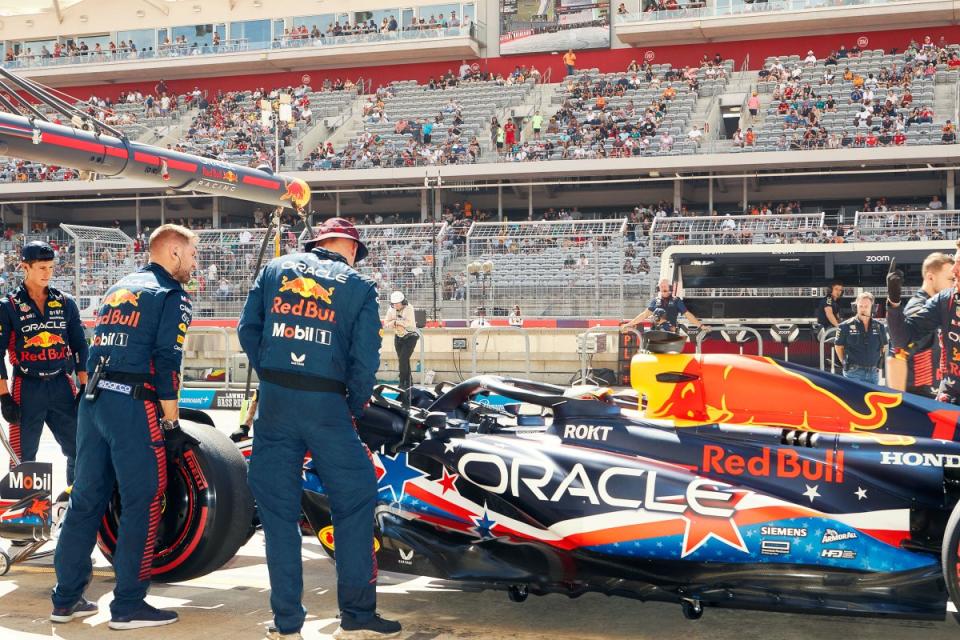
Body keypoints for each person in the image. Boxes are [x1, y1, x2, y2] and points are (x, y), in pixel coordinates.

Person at [237, 218, 399, 639]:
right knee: (356, 499)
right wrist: (354, 403)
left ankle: (287, 621)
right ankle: (358, 614)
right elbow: (366, 357)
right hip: (327, 404)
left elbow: (246, 329)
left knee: (277, 513)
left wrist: (274, 373)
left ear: (316, 243)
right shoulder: (359, 286)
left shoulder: (274, 270)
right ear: (348, 248)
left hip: (274, 403)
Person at [51, 224, 197, 629]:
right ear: (172, 253)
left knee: (86, 500)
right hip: (132, 405)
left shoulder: (120, 287)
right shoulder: (172, 294)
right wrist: (171, 421)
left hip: (93, 403)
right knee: (144, 499)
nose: (194, 263)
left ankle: (65, 600)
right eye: (192, 255)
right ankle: (128, 604)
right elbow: (167, 362)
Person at [0, 242, 87, 485]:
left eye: (50, 267)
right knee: (24, 456)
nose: (47, 273)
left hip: (62, 384)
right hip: (26, 387)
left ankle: (75, 507)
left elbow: (80, 345)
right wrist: (4, 396)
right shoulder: (8, 306)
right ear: (24, 267)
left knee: (79, 448)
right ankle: (27, 517)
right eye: (41, 267)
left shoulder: (65, 302)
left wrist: (83, 384)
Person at [887, 249, 960, 403]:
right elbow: (899, 348)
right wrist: (894, 302)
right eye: (949, 277)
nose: (954, 272)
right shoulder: (944, 300)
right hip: (938, 399)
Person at [834, 292, 887, 384]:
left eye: (866, 306)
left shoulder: (879, 326)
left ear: (873, 308)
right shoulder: (845, 326)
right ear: (855, 307)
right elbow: (838, 346)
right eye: (860, 306)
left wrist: (879, 364)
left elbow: (884, 346)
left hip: (873, 373)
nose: (863, 309)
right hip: (853, 372)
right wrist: (844, 363)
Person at [621, 279, 703, 333]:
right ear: (658, 288)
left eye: (665, 286)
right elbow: (644, 315)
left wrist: (701, 326)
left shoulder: (676, 300)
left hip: (671, 335)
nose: (663, 288)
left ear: (670, 287)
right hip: (656, 334)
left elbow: (687, 314)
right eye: (661, 286)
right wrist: (629, 324)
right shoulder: (655, 301)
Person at [384, 290, 418, 393]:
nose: (396, 306)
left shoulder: (409, 308)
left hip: (410, 336)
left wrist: (394, 322)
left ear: (403, 302)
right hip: (398, 336)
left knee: (403, 359)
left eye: (398, 304)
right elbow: (386, 322)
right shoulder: (391, 309)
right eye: (394, 304)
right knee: (403, 360)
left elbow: (408, 323)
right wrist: (396, 323)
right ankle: (409, 382)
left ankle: (403, 382)